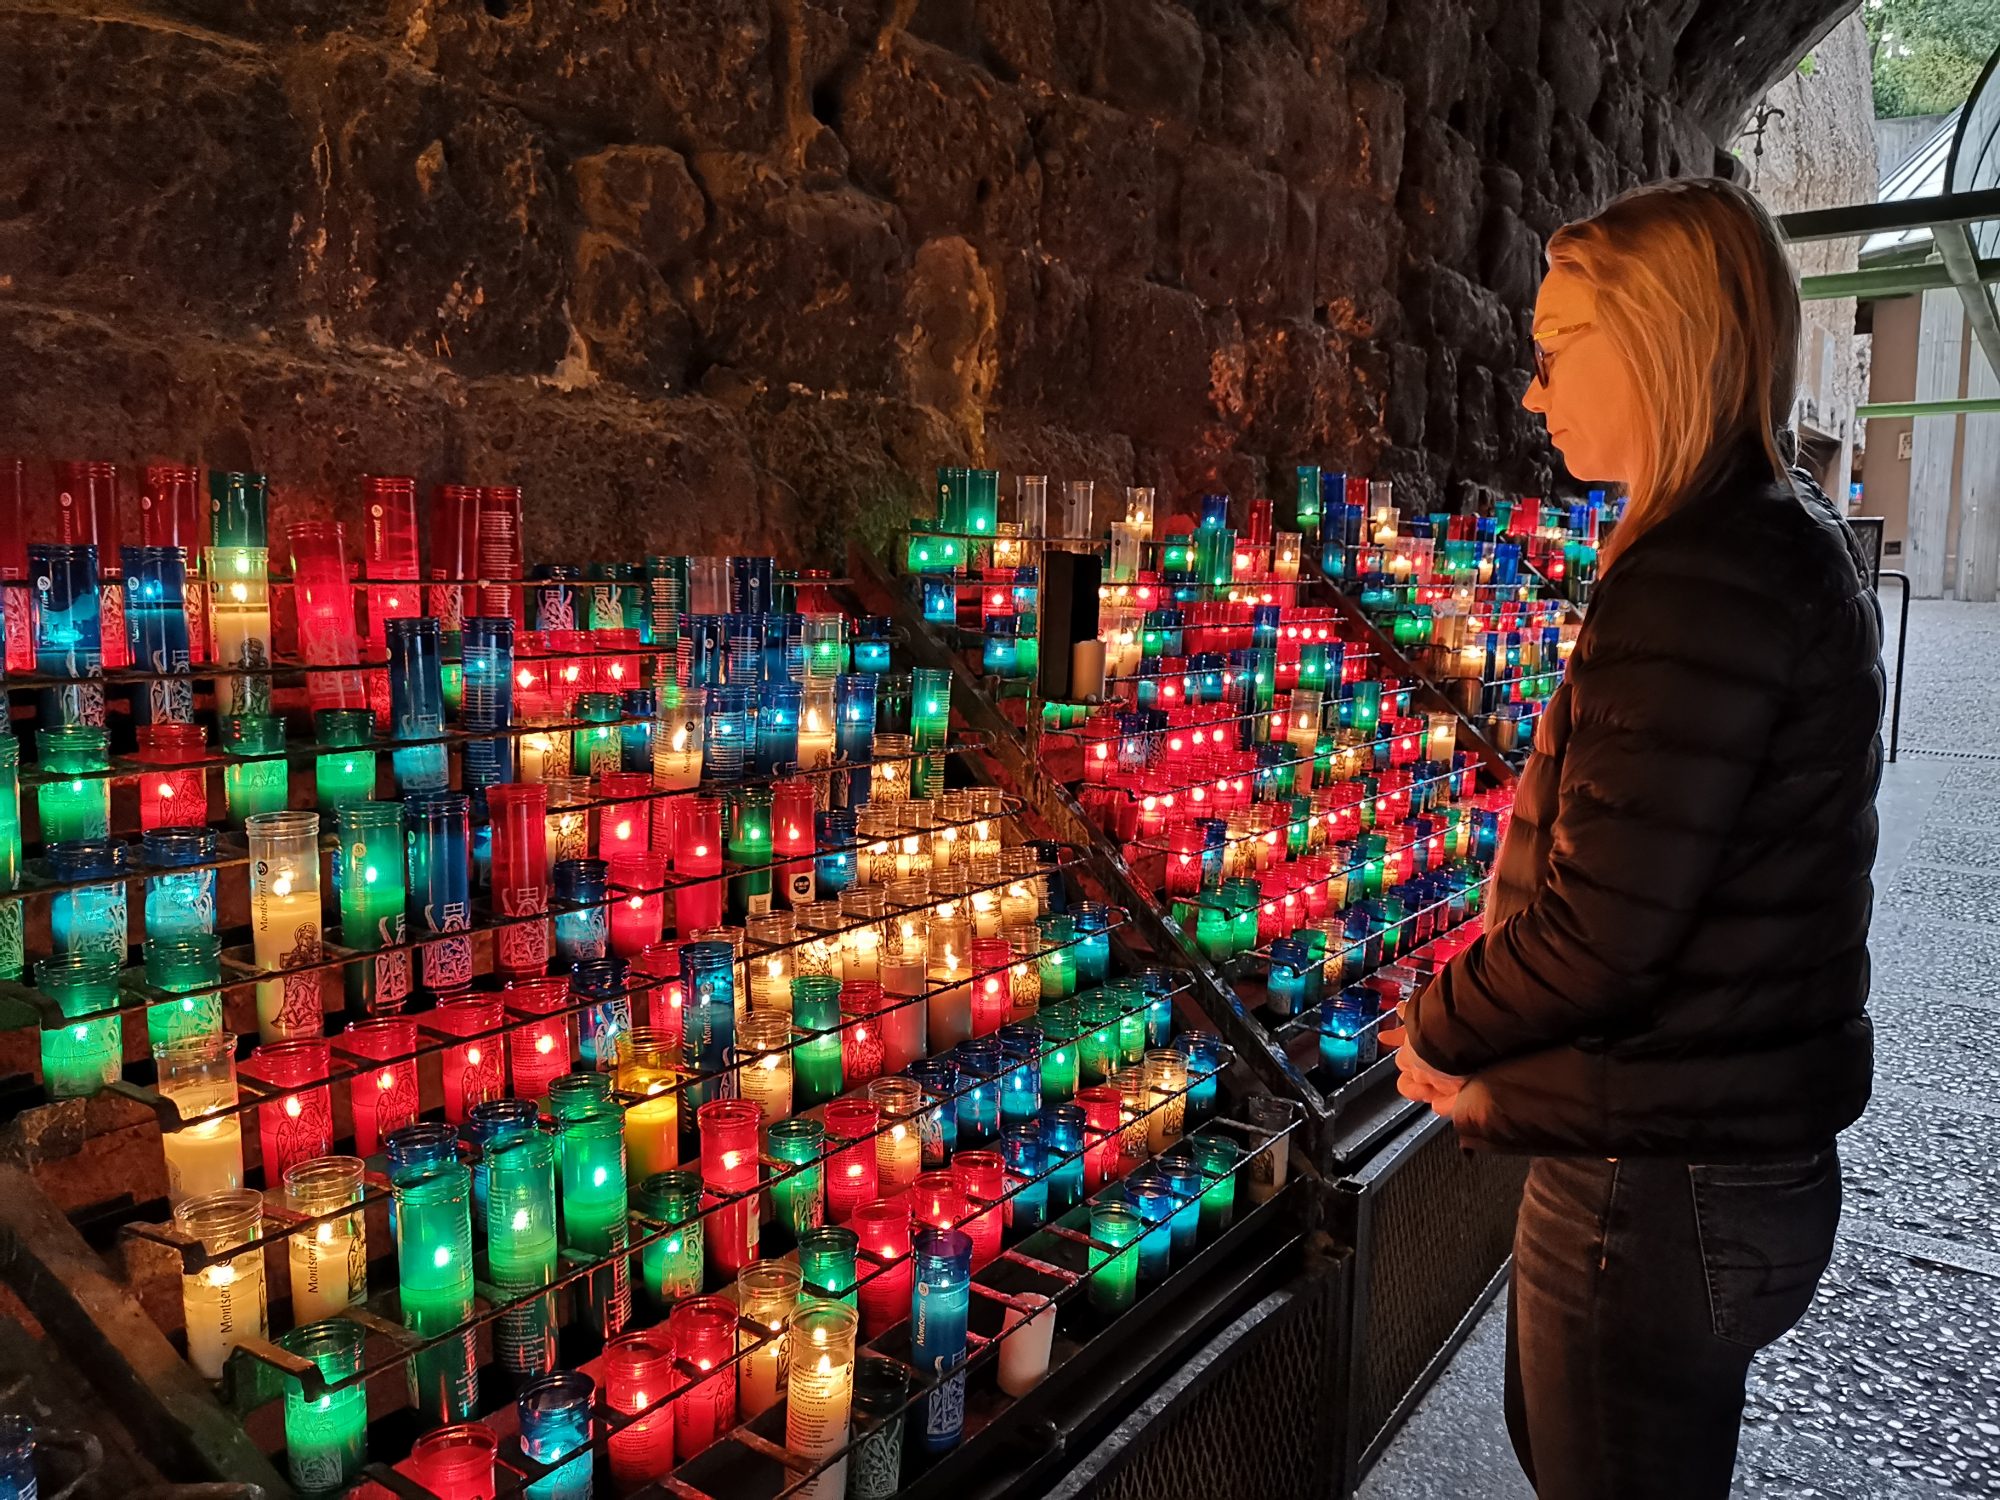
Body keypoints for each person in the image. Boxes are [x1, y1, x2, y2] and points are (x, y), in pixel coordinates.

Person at [1396, 177, 1882, 1499]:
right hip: (1719, 1162)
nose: (1534, 392)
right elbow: (1700, 919)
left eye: (1557, 352)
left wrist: (1440, 1025)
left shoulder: (1699, 577)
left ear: (1659, 342)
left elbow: (1604, 937)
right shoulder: (1770, 546)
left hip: (1661, 1196)